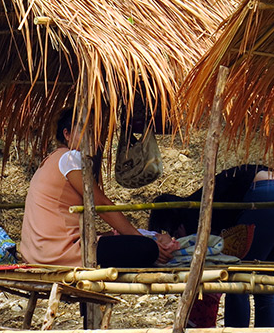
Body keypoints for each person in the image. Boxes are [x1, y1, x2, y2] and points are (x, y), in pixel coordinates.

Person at [18, 108, 178, 268]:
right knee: (147, 249)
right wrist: (142, 240)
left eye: (94, 131)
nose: (92, 137)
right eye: (85, 130)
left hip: (37, 253)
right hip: (60, 253)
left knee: (131, 241)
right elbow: (102, 205)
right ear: (66, 134)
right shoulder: (70, 158)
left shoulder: (52, 160)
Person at [148, 165, 274, 328]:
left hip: (267, 194)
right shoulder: (201, 199)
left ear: (176, 225)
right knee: (268, 276)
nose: (176, 239)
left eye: (173, 234)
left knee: (237, 275)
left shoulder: (193, 214)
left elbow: (213, 254)